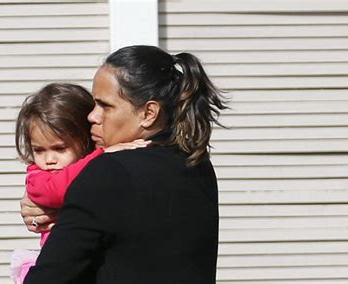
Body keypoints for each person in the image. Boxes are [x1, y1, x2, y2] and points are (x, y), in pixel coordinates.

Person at [22, 45, 227, 283]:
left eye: (105, 106)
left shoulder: (109, 171)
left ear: (148, 113)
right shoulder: (196, 165)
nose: (92, 116)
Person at [10, 83, 150, 284]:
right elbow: (56, 190)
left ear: (84, 141)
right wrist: (102, 155)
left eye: (60, 148)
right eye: (39, 150)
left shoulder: (89, 167)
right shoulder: (37, 176)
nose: (49, 159)